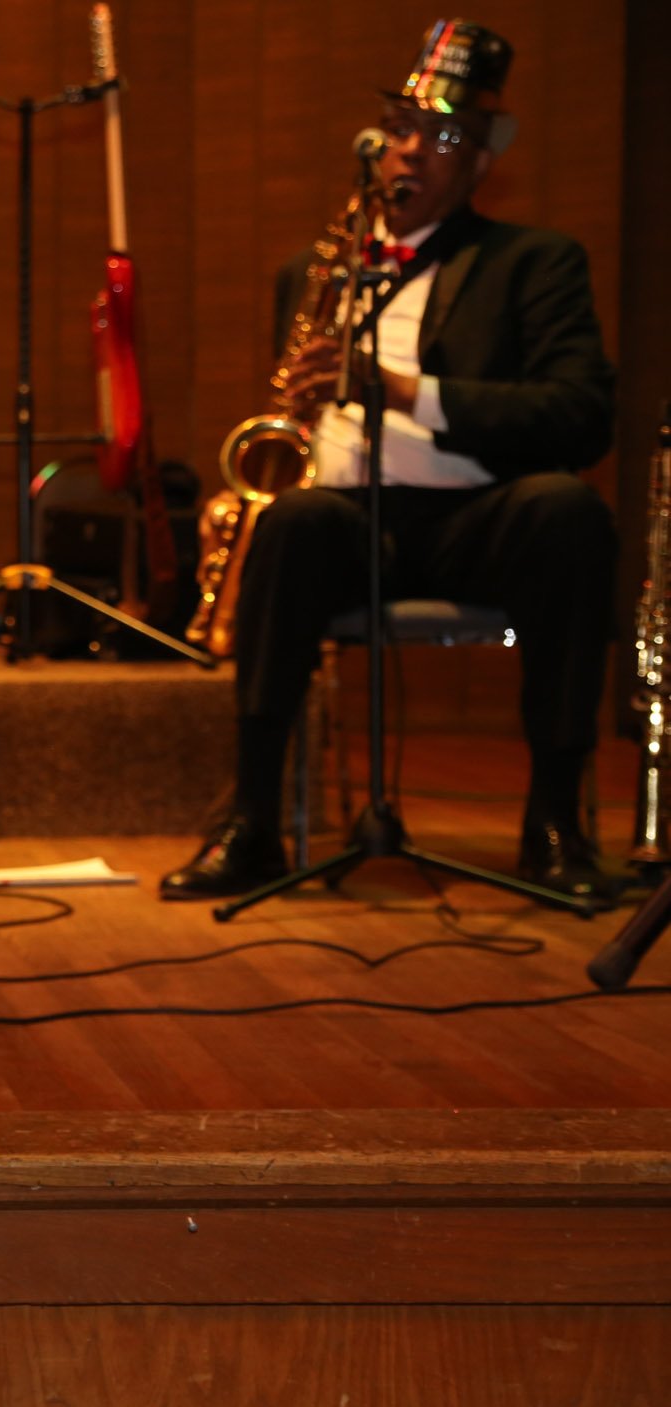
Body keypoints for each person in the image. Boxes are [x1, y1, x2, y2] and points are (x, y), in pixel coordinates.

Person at [162, 19, 617, 904]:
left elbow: (580, 415)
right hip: (350, 518)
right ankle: (252, 821)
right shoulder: (312, 271)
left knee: (568, 512)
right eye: (401, 129)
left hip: (480, 515)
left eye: (441, 138)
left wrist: (403, 391)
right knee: (290, 521)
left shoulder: (533, 263)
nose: (410, 151)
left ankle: (555, 822)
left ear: (480, 162)